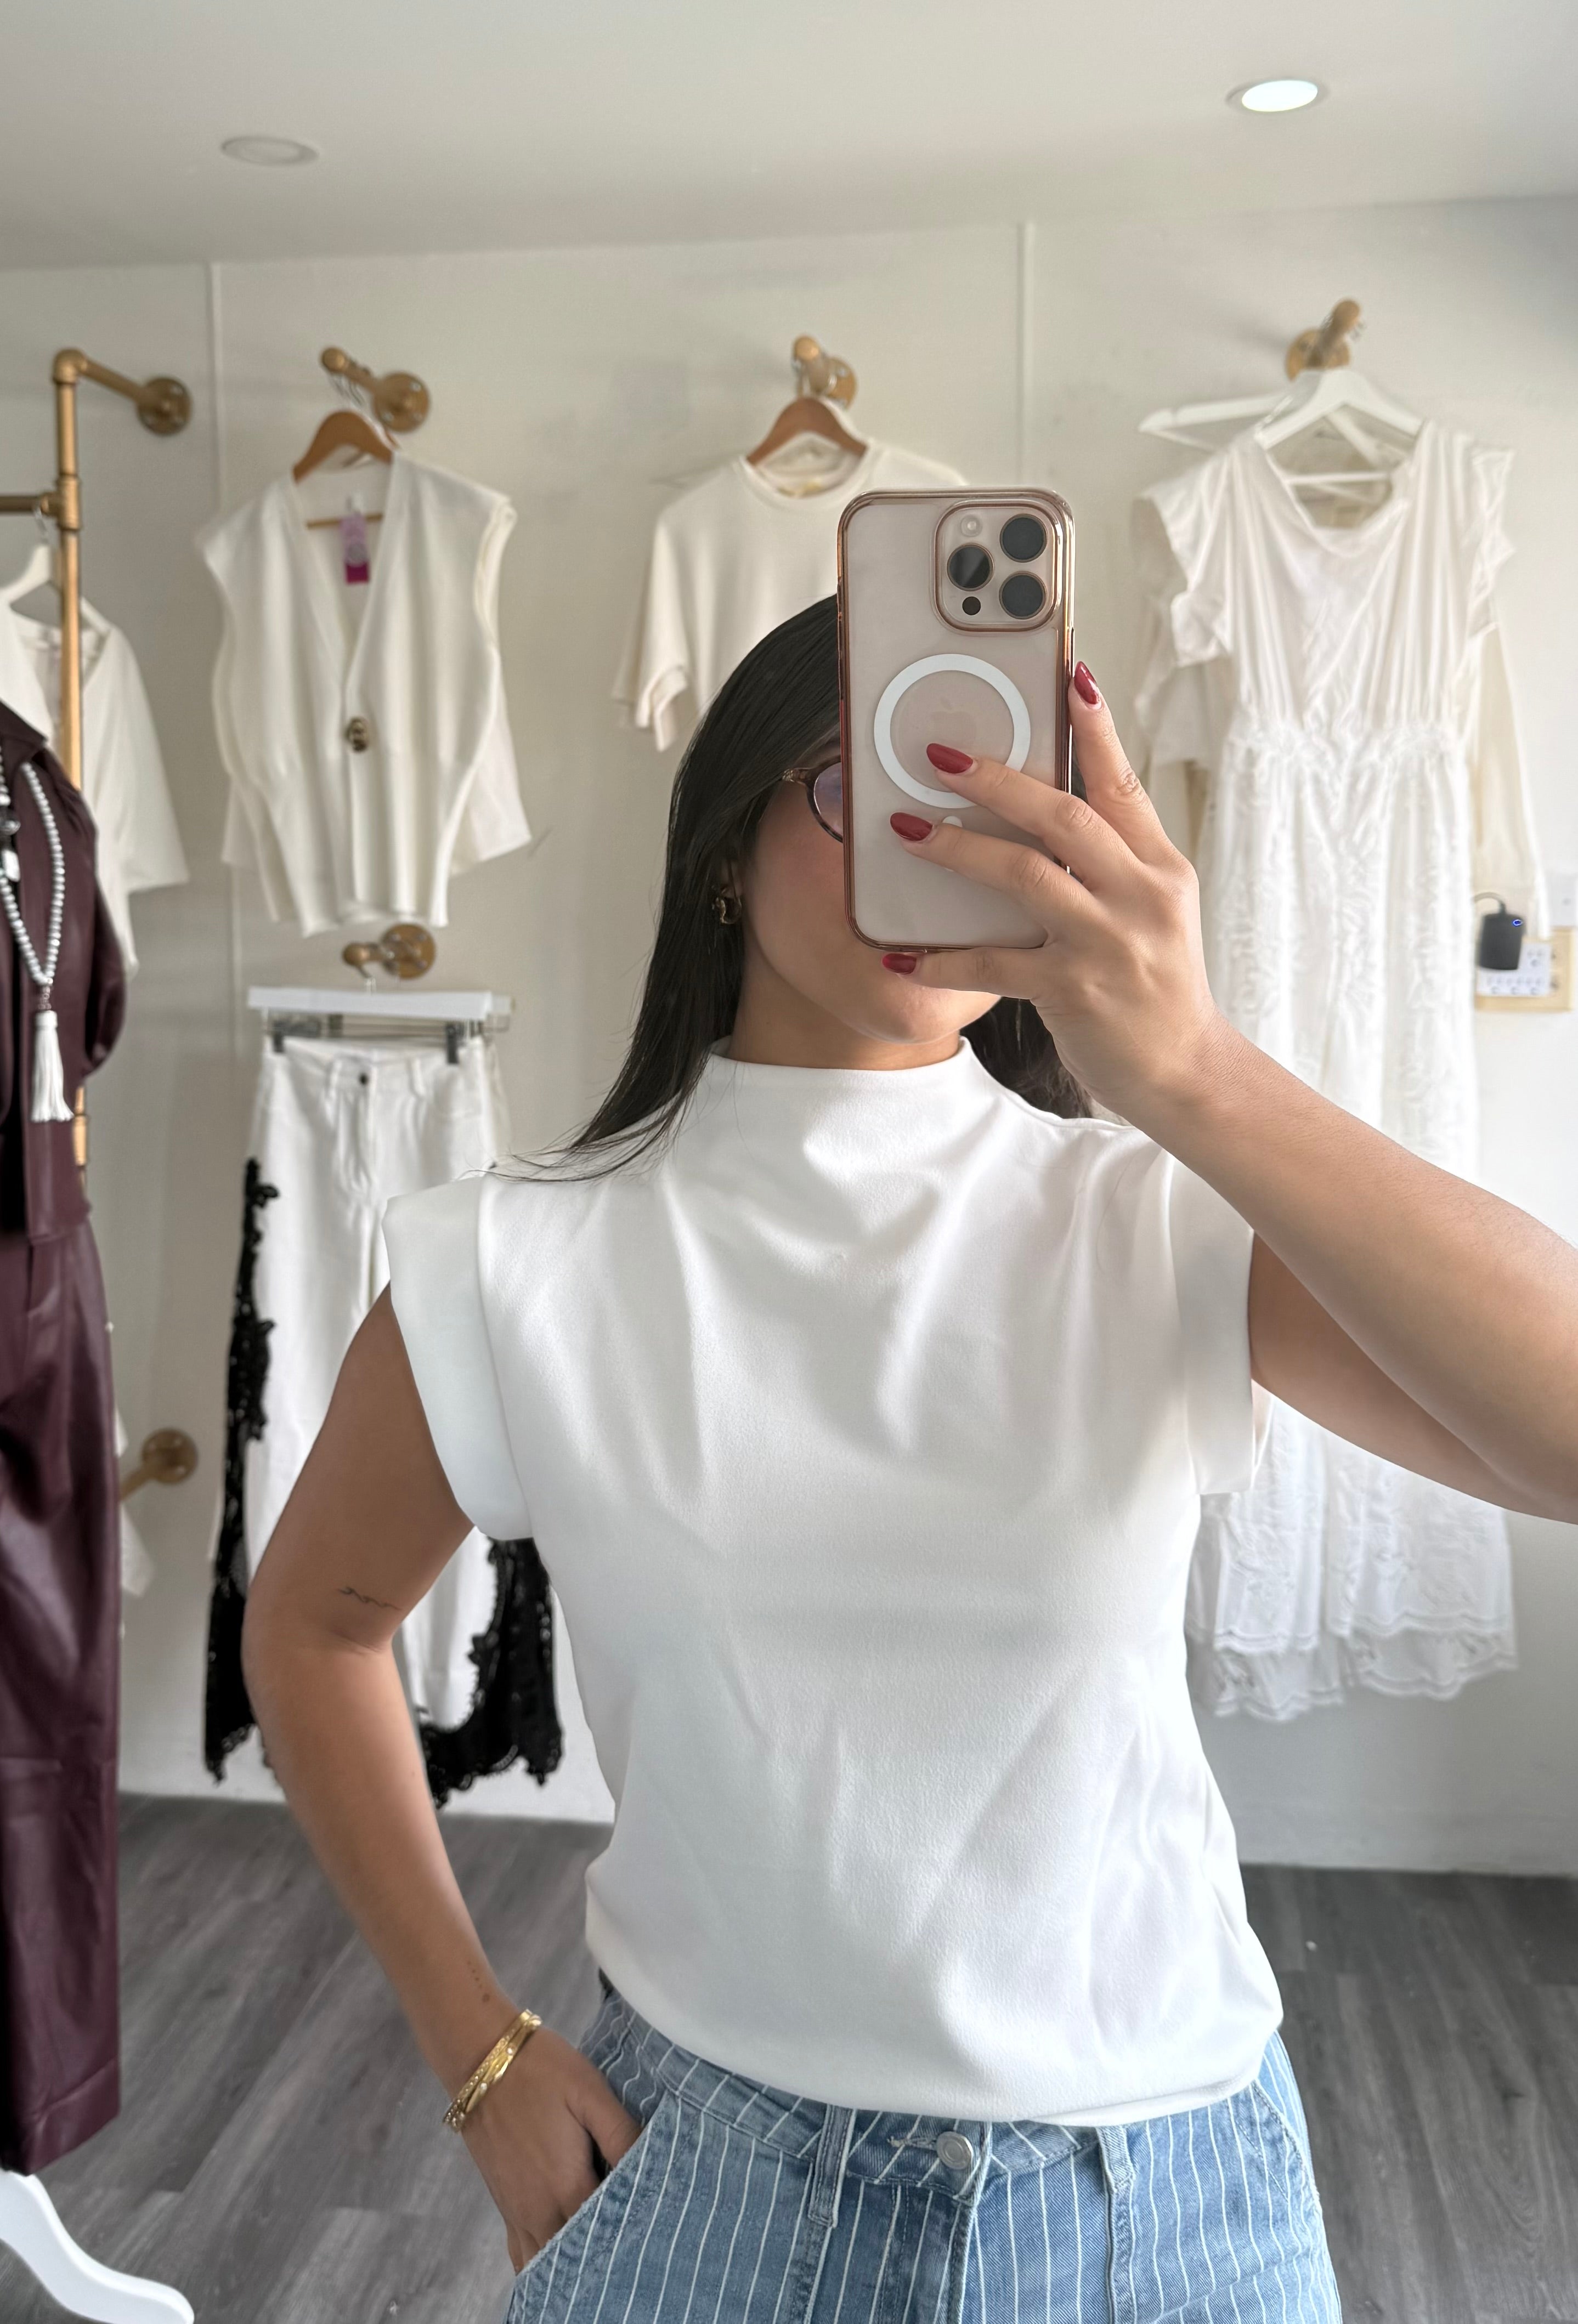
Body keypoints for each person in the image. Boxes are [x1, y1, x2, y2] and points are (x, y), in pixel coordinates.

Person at [242, 596, 1578, 2323]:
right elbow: (314, 1625)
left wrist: (1193, 1071)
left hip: (1169, 2197)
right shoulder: (509, 1260)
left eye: (988, 793)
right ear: (725, 854)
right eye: (861, 784)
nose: (931, 843)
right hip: (703, 2175)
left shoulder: (1146, 1217)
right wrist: (475, 2049)